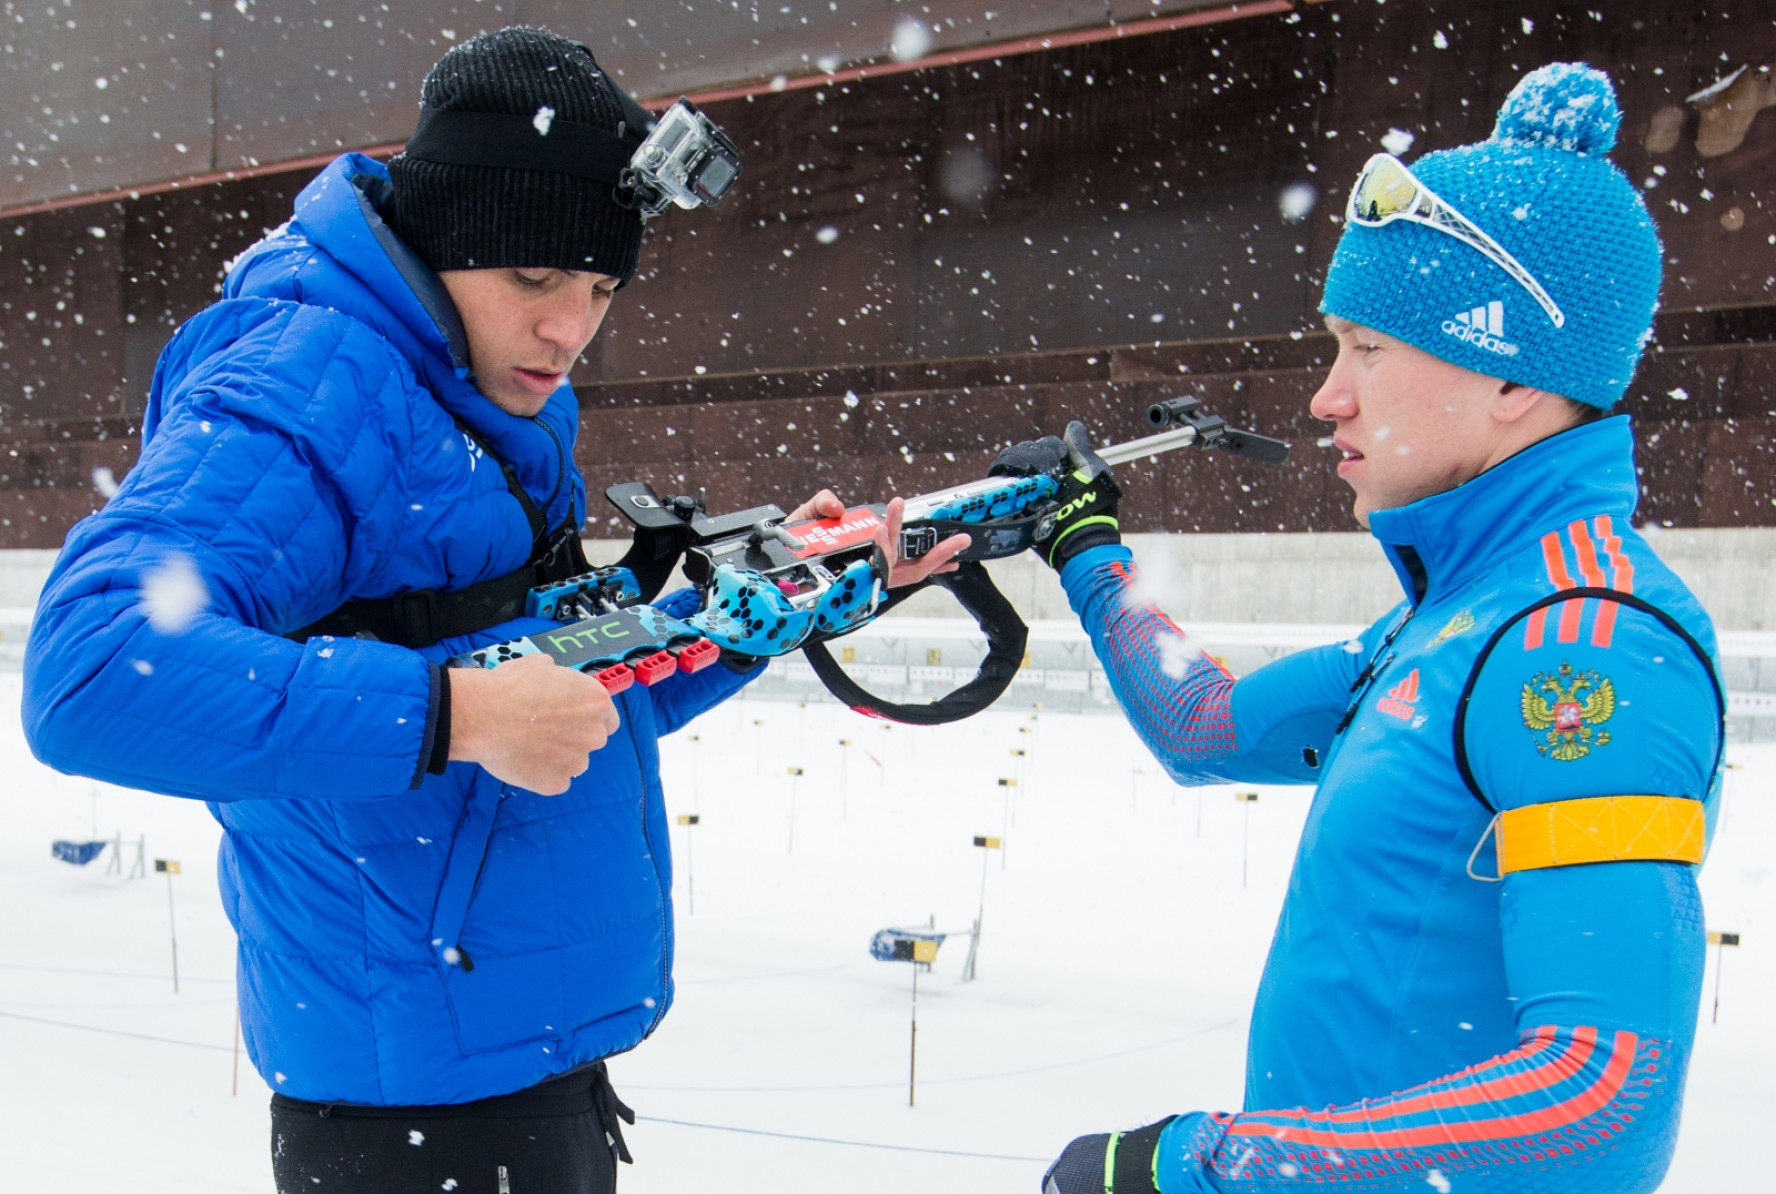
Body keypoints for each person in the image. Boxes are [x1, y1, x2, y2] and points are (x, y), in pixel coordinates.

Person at [21, 26, 960, 1193]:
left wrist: (773, 606)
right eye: (534, 277)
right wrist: (456, 713)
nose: (569, 328)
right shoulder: (312, 384)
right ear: (446, 239)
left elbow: (555, 691)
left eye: (600, 285)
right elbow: (94, 670)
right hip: (414, 1115)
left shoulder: (476, 396)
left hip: (517, 1068)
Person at [1000, 64, 1720, 1194]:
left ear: (1511, 378)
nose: (1327, 396)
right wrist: (1090, 550)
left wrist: (1204, 1166)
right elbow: (1207, 725)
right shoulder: (1446, 625)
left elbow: (1601, 1099)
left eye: (1369, 350)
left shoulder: (1582, 648)